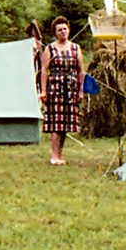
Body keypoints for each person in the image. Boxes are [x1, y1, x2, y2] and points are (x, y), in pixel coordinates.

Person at [39, 16, 85, 165]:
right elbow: (44, 71)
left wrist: (81, 91)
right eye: (60, 30)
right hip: (55, 87)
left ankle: (60, 154)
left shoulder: (76, 48)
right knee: (56, 123)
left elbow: (81, 71)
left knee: (65, 123)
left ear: (69, 30)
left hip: (71, 88)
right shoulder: (50, 48)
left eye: (65, 29)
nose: (63, 32)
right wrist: (44, 91)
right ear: (55, 33)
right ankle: (54, 155)